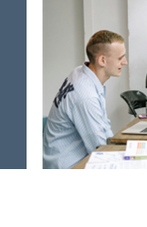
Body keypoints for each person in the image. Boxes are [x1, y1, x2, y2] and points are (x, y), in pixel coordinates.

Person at [43, 30, 128, 169]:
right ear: (102, 60)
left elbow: (103, 126)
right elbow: (100, 150)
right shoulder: (86, 96)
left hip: (66, 157)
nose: (125, 62)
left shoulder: (81, 72)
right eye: (120, 58)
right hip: (68, 166)